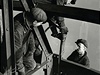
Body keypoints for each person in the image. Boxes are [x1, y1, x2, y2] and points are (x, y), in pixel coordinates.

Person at [14, 7, 47, 75]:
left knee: (32, 65)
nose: (40, 25)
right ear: (35, 22)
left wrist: (31, 51)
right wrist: (21, 69)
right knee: (28, 67)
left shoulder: (26, 20)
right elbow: (16, 53)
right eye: (40, 23)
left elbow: (30, 35)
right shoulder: (18, 30)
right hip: (15, 54)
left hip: (24, 49)